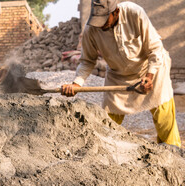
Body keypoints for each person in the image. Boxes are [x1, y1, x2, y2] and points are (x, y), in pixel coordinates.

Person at [61, 0, 181, 147]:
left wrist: (149, 77)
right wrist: (76, 84)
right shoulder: (91, 29)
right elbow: (87, 61)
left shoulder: (134, 13)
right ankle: (104, 150)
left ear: (116, 12)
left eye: (104, 20)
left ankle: (173, 153)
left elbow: (155, 49)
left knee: (164, 117)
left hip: (151, 70)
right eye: (97, 21)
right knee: (107, 121)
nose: (101, 25)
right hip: (118, 75)